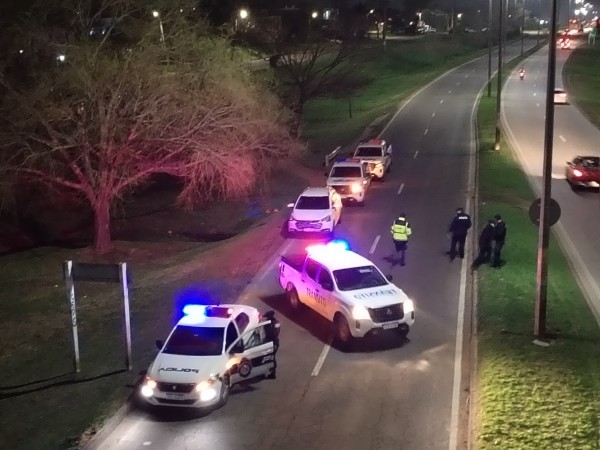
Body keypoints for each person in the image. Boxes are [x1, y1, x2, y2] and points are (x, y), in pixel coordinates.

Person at [262, 311, 280, 379]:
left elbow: (271, 334)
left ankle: (272, 373)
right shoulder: (276, 322)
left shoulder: (269, 324)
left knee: (271, 358)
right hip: (275, 342)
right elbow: (277, 332)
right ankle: (272, 372)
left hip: (271, 343)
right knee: (271, 357)